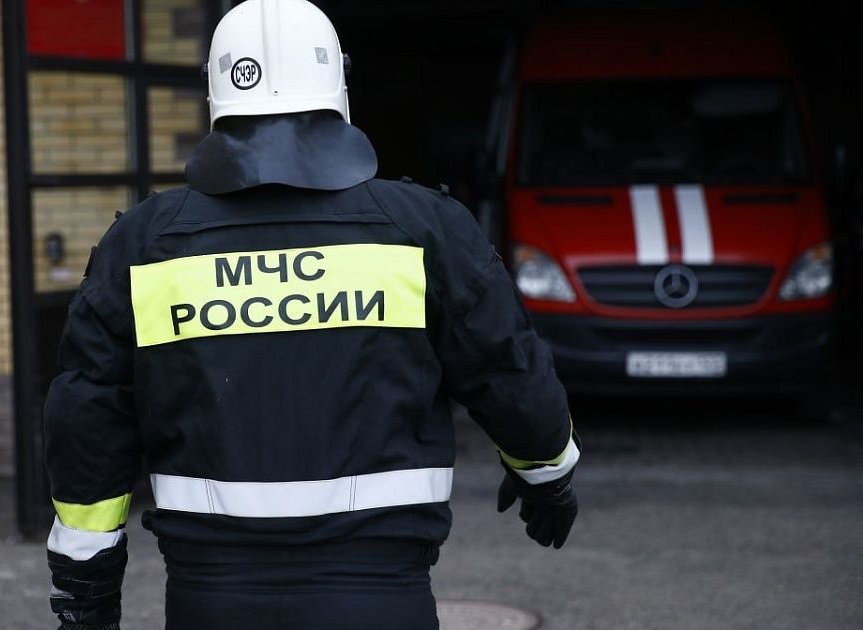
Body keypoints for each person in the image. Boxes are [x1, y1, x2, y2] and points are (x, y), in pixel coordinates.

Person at [42, 1, 579, 628]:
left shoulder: (141, 245)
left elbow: (88, 420)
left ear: (214, 92)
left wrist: (87, 585)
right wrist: (548, 472)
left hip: (210, 599)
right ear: (339, 83)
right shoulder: (424, 230)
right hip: (382, 596)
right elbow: (506, 369)